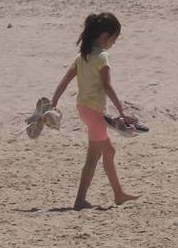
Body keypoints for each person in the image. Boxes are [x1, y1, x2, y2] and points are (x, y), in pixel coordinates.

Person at [50, 13, 140, 209]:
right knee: (93, 156)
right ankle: (80, 200)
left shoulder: (83, 55)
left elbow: (66, 79)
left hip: (83, 109)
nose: (114, 43)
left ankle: (119, 194)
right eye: (114, 39)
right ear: (106, 35)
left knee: (109, 150)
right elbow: (107, 87)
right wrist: (122, 112)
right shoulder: (102, 57)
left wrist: (54, 100)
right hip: (96, 112)